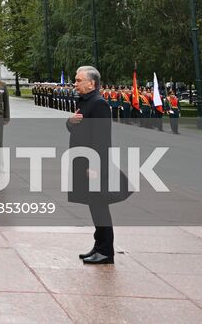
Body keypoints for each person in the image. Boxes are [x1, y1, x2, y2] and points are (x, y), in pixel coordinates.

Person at [67, 65, 126, 265]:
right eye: (75, 80)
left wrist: (95, 166)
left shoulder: (98, 103)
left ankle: (106, 252)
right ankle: (98, 246)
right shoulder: (85, 101)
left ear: (91, 83)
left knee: (100, 208)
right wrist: (70, 121)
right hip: (83, 161)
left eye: (78, 80)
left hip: (94, 165)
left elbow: (102, 139)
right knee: (94, 206)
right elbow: (76, 126)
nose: (75, 84)